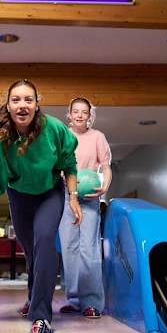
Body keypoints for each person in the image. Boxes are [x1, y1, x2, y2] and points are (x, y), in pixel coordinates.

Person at [0, 79, 82, 333]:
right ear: (8, 106)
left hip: (50, 193)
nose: (22, 105)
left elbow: (69, 163)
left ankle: (41, 315)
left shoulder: (54, 129)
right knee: (31, 252)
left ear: (37, 104)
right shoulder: (0, 141)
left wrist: (73, 198)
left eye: (28, 100)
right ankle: (33, 297)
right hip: (19, 197)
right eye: (16, 100)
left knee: (44, 241)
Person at [57, 97, 112, 319]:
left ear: (90, 115)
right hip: (64, 196)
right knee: (69, 248)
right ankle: (74, 299)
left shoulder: (98, 137)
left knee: (89, 248)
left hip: (89, 197)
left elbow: (106, 166)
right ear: (69, 114)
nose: (80, 115)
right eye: (76, 111)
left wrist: (104, 187)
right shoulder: (62, 136)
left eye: (84, 112)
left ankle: (91, 302)